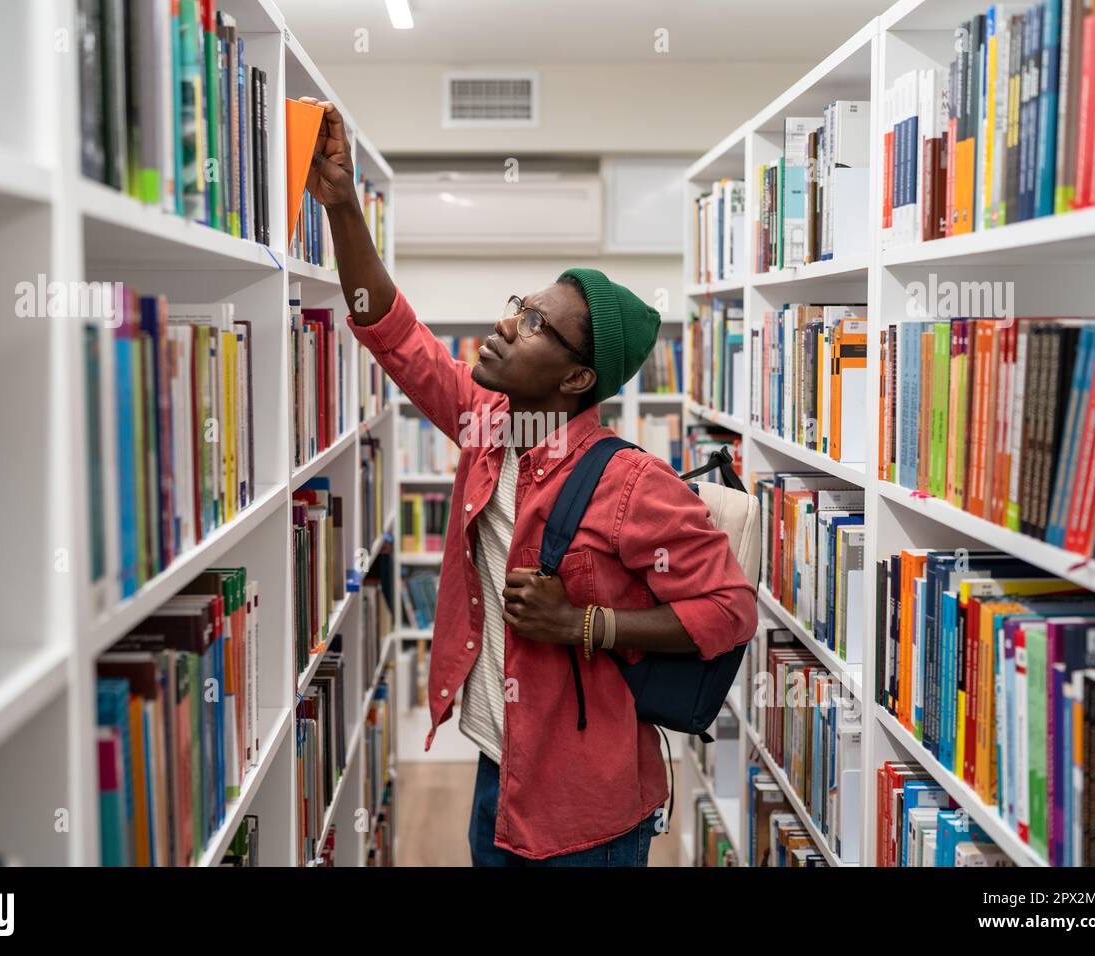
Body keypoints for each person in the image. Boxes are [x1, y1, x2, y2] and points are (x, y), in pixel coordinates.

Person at [299, 97, 757, 867]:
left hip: (588, 804)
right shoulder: (486, 425)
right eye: (521, 307)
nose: (509, 323)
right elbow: (392, 331)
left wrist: (587, 625)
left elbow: (730, 610)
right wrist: (343, 205)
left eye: (537, 324)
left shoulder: (630, 482)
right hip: (500, 767)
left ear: (579, 376)